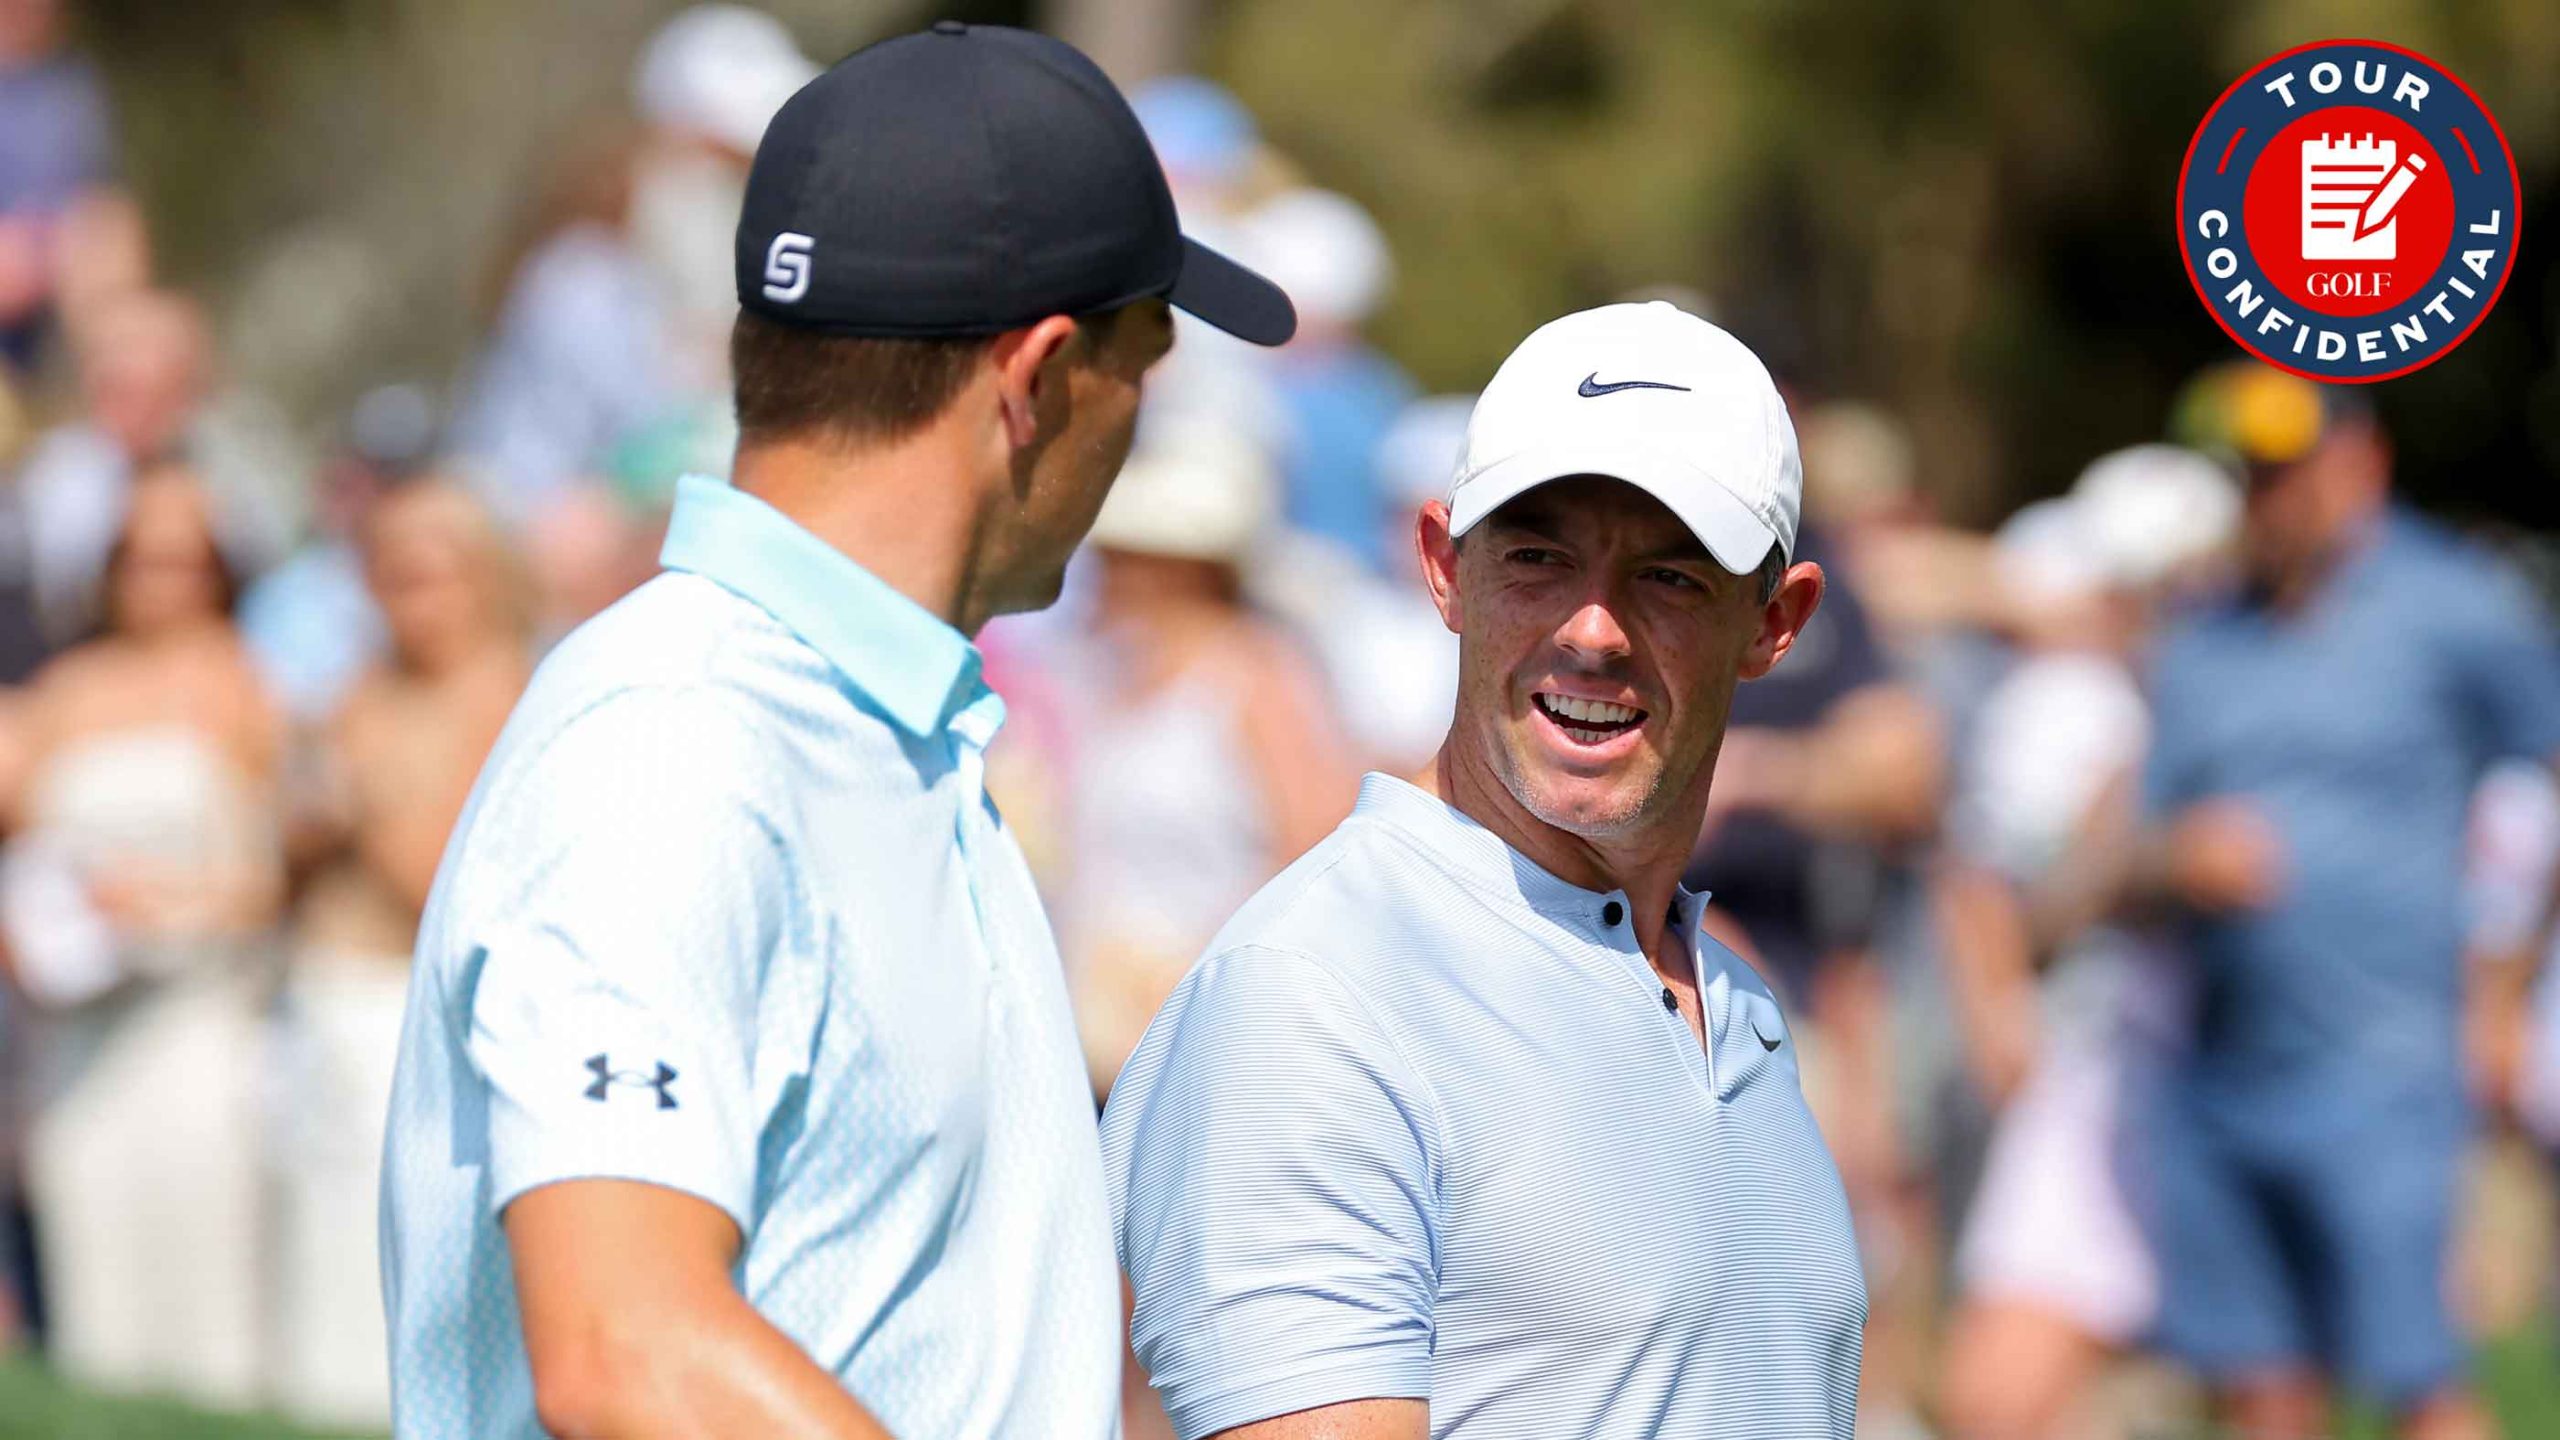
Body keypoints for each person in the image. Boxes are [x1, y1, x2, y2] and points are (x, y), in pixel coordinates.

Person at [379, 22, 1292, 1440]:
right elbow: (628, 1346)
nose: (1140, 429)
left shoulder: (874, 731)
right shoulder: (676, 744)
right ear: (1037, 380)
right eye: (1145, 365)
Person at [1103, 301, 1864, 1438]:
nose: (1593, 629)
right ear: (1442, 569)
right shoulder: (1308, 999)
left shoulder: (1730, 1000)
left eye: (1669, 576)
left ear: (1776, 622)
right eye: (1537, 558)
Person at [2122, 364, 2560, 1440]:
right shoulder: (2200, 639)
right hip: (2222, 1076)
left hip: (2391, 1064)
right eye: (2247, 475)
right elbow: (2128, 838)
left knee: (2421, 1383)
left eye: (2286, 470)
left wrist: (2503, 988)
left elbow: (2542, 785)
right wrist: (2174, 859)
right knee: (2262, 1389)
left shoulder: (2456, 605)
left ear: (2362, 461)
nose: (2264, 496)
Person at [1934, 446, 2240, 1440]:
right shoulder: (2070, 704)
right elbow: (1987, 885)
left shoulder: (2224, 700)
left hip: (2217, 1078)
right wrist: (1999, 1015)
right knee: (2003, 1391)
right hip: (2102, 1069)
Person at [2, 465, 284, 1407]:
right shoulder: (63, 692)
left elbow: (269, 883)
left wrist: (156, 908)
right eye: (140, 558)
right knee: (93, 1296)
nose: (159, 581)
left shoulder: (248, 686)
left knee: (205, 1299)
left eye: (182, 561)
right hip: (77, 1035)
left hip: (195, 1027)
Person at [273, 479, 530, 1429]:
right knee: (314, 1260)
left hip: (407, 1011)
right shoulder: (363, 688)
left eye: (427, 579)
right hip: (318, 994)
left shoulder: (505, 693)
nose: (403, 602)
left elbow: (451, 884)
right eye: (388, 577)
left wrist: (358, 796)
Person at [1057, 421, 1361, 1094]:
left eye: (1128, 554)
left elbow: (1314, 853)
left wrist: (1195, 970)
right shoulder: (1111, 676)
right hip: (1105, 1038)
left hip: (1205, 1039)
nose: (1105, 572)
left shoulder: (1259, 677)